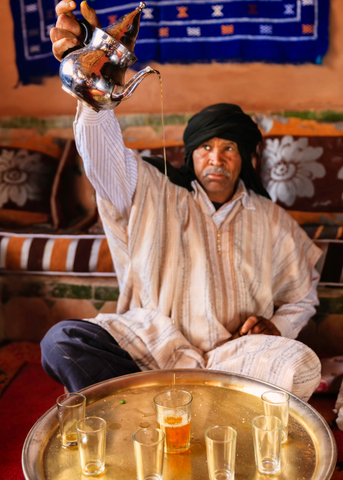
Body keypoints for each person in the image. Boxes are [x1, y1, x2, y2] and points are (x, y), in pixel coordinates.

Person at [41, 1, 322, 401]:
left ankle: (142, 409)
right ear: (191, 155)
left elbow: (303, 291)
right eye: (205, 147)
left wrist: (278, 327)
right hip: (154, 344)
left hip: (233, 356)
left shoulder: (271, 219)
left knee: (299, 365)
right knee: (63, 341)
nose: (216, 158)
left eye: (229, 148)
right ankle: (158, 409)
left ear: (243, 158)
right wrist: (95, 100)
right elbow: (104, 159)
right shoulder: (154, 191)